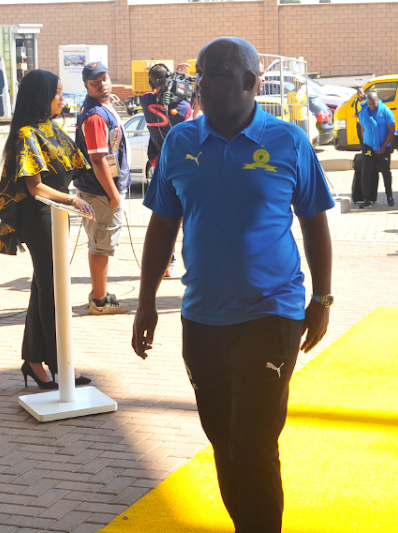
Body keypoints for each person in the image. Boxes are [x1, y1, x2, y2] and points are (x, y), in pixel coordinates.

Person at [132, 37, 334, 533]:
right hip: (201, 317)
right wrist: (146, 303)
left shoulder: (288, 141)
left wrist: (322, 297)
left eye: (217, 72)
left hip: (273, 313)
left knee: (254, 442)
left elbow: (314, 223)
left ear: (250, 81)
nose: (202, 82)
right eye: (201, 72)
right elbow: (162, 225)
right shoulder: (180, 142)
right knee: (223, 438)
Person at [0, 69, 94, 389]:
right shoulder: (26, 134)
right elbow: (35, 187)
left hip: (54, 216)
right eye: (58, 94)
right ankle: (61, 363)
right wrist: (72, 200)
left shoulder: (49, 127)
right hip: (39, 217)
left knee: (44, 288)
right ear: (41, 96)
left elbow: (73, 166)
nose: (62, 99)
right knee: (53, 291)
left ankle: (34, 361)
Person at [73, 62, 131, 314]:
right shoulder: (96, 115)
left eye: (104, 78)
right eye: (95, 80)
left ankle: (100, 292)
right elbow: (98, 159)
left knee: (100, 243)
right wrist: (114, 195)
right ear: (86, 85)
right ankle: (99, 302)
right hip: (100, 193)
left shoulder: (101, 107)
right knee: (101, 245)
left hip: (100, 191)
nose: (101, 83)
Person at [140, 63, 191, 278]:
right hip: (184, 165)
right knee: (189, 216)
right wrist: (182, 77)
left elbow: (155, 93)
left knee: (163, 218)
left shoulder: (146, 100)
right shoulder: (185, 107)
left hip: (160, 163)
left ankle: (166, 263)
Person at [358, 91, 396, 208]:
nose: (371, 106)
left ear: (378, 100)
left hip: (382, 146)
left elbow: (392, 130)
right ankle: (367, 198)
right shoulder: (363, 112)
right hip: (368, 146)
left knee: (386, 172)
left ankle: (389, 196)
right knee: (366, 172)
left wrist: (383, 147)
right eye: (369, 104)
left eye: (373, 104)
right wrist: (365, 142)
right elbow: (362, 128)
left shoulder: (385, 111)